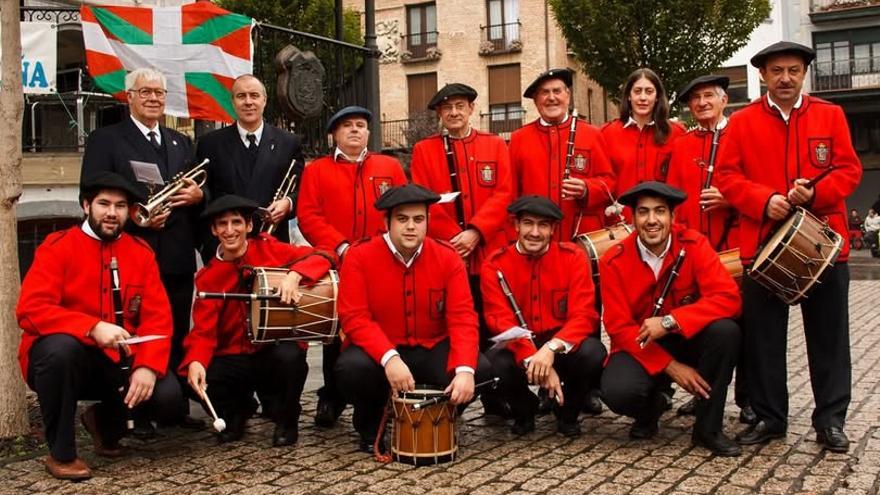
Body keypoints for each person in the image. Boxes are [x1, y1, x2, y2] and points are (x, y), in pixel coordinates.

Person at [716, 41, 863, 452]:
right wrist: (763, 200)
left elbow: (849, 170)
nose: (785, 78)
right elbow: (726, 177)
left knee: (829, 338)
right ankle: (770, 418)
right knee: (763, 340)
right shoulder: (741, 122)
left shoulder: (830, 115)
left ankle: (830, 420)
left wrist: (814, 194)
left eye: (793, 70)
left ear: (804, 74)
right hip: (762, 247)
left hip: (823, 248)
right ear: (763, 75)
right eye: (777, 71)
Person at [17, 172, 183, 480]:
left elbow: (158, 319)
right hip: (64, 360)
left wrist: (147, 366)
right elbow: (31, 309)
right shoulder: (57, 247)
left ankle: (104, 424)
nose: (111, 213)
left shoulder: (141, 253)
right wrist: (92, 327)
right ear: (86, 205)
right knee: (60, 351)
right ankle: (62, 454)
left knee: (169, 399)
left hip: (117, 360)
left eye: (120, 206)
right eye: (103, 204)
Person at [80, 67, 203, 435]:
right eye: (145, 91)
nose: (153, 98)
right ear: (129, 96)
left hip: (176, 255)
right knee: (132, 332)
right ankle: (137, 411)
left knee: (176, 329)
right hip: (130, 252)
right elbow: (90, 194)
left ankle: (173, 406)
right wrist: (134, 217)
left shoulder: (180, 142)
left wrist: (199, 195)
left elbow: (198, 192)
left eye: (159, 93)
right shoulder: (106, 139)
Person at [334, 184, 491, 452]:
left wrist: (465, 370)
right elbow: (354, 317)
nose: (411, 227)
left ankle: (438, 420)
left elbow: (463, 316)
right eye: (402, 219)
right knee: (351, 368)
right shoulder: (359, 256)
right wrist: (389, 358)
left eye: (418, 219)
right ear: (386, 222)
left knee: (482, 369)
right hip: (381, 349)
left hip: (431, 345)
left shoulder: (448, 257)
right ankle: (370, 425)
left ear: (428, 221)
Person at [599, 181, 743, 456]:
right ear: (633, 218)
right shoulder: (612, 261)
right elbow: (618, 327)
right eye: (643, 212)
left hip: (686, 337)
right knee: (618, 391)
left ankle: (708, 429)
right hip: (641, 345)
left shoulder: (694, 244)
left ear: (672, 216)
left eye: (660, 211)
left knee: (726, 332)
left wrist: (671, 321)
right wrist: (671, 367)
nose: (652, 220)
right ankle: (651, 408)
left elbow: (728, 298)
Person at [179, 195, 334, 446]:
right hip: (235, 356)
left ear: (249, 225)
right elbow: (204, 332)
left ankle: (287, 419)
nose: (230, 230)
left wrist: (295, 275)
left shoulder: (269, 249)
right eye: (222, 224)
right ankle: (237, 411)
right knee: (194, 374)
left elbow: (326, 254)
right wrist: (196, 361)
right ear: (214, 230)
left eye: (236, 222)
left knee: (291, 356)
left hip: (269, 351)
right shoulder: (208, 277)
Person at [296, 106, 408, 428]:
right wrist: (341, 246)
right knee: (334, 333)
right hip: (338, 263)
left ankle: (382, 394)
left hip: (382, 262)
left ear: (369, 132)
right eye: (347, 125)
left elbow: (402, 209)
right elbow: (308, 215)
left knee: (383, 326)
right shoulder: (317, 170)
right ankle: (331, 396)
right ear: (335, 134)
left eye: (361, 125)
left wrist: (385, 247)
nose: (355, 130)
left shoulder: (389, 166)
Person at [665, 74, 754, 425]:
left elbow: (758, 187)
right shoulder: (682, 145)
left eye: (708, 96)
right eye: (695, 99)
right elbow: (673, 200)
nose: (702, 103)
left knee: (744, 326)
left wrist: (731, 198)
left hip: (734, 250)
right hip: (695, 252)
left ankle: (748, 399)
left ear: (724, 100)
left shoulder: (741, 136)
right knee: (702, 324)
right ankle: (704, 393)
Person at [481, 196, 606, 437]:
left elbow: (584, 315)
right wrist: (534, 359)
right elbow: (499, 321)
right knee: (494, 363)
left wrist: (550, 349)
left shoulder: (573, 257)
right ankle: (524, 410)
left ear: (553, 229)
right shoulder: (494, 264)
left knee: (593, 352)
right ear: (516, 225)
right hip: (519, 345)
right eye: (528, 223)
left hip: (559, 345)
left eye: (543, 225)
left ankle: (567, 412)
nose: (535, 232)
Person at [410, 83, 513, 347]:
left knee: (494, 324)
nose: (454, 112)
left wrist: (476, 232)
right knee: (454, 323)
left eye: (459, 106)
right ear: (439, 114)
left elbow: (505, 193)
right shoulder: (423, 150)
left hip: (489, 249)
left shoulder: (495, 144)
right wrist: (456, 240)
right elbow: (424, 201)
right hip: (448, 252)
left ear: (471, 109)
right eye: (447, 108)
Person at [197, 74, 305, 257]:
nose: (248, 102)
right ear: (233, 102)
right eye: (241, 96)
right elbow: (204, 192)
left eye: (254, 95)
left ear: (264, 100)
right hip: (226, 245)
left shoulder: (289, 142)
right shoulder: (209, 144)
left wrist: (288, 203)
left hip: (272, 243)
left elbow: (302, 187)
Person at [508, 68, 616, 241]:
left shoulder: (592, 134)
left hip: (581, 235)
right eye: (544, 92)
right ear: (536, 100)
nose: (551, 97)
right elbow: (511, 193)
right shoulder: (519, 138)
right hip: (536, 238)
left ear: (568, 96)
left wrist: (586, 189)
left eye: (557, 91)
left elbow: (609, 183)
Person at [601, 68, 685, 220]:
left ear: (657, 97)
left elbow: (682, 183)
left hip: (662, 223)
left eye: (649, 91)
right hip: (620, 223)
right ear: (628, 96)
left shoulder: (677, 134)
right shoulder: (607, 133)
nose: (643, 98)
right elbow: (603, 182)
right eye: (637, 91)